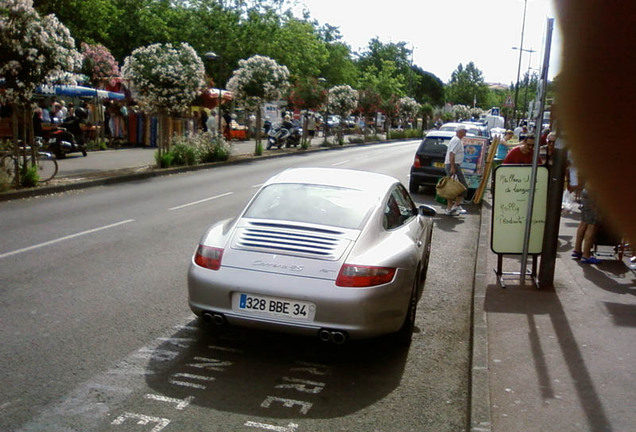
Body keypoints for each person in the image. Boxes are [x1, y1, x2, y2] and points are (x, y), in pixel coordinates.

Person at [572, 186, 601, 264]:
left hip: (587, 190)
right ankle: (586, 255)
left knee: (583, 222)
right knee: (592, 225)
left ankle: (577, 250)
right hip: (594, 192)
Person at [444, 124, 469, 216]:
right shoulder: (456, 140)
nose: (465, 133)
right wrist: (452, 166)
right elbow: (452, 153)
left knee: (453, 187)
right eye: (464, 131)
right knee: (462, 186)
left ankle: (451, 207)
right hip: (454, 165)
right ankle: (455, 206)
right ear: (459, 131)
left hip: (455, 165)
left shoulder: (457, 140)